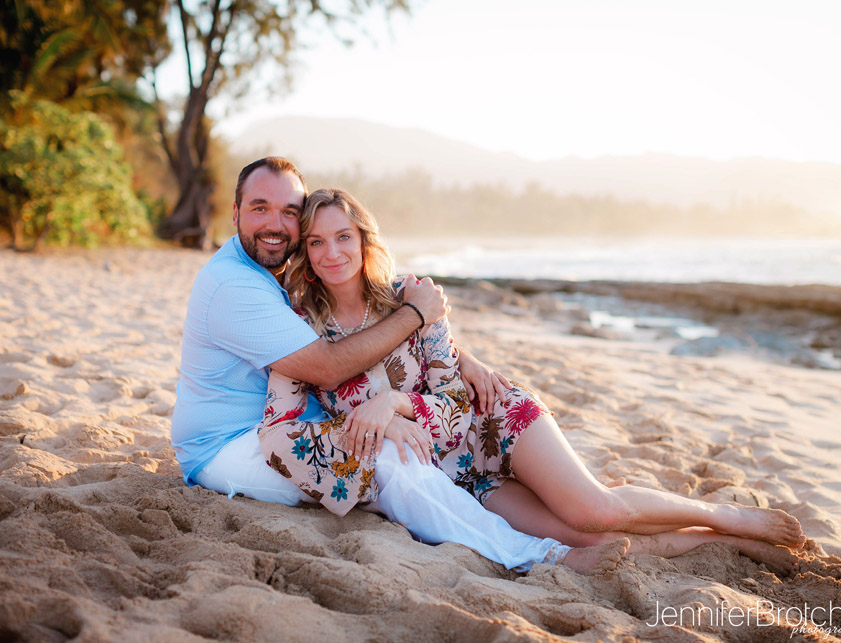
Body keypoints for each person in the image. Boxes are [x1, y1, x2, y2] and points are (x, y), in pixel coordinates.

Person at [260, 187, 806, 575]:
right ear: (305, 252)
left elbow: (455, 402)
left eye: (344, 236)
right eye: (317, 242)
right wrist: (370, 426)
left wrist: (395, 404)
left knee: (594, 510)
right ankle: (720, 541)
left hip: (494, 422)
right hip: (458, 477)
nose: (332, 253)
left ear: (364, 240)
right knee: (587, 538)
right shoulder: (300, 328)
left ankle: (725, 515)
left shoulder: (413, 296)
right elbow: (280, 429)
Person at [171, 156, 629, 575]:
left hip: (297, 422)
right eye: (260, 208)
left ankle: (596, 538)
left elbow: (368, 340)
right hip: (230, 444)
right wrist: (414, 317)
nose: (275, 224)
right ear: (235, 213)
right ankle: (537, 555)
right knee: (391, 460)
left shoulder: (271, 273)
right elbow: (328, 368)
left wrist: (459, 356)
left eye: (288, 211)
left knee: (402, 453)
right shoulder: (235, 286)